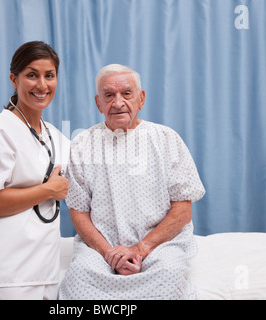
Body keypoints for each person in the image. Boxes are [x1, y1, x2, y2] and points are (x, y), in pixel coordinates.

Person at [59, 64, 205, 300]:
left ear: (141, 98)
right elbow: (78, 212)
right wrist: (110, 254)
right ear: (98, 103)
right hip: (100, 248)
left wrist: (141, 249)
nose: (117, 103)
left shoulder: (167, 139)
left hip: (160, 246)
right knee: (79, 278)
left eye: (126, 93)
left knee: (169, 275)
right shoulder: (82, 144)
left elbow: (182, 211)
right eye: (109, 95)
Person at [0, 41, 70, 300]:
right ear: (14, 79)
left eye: (49, 76)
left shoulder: (57, 136)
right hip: (2, 276)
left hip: (45, 272)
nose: (42, 85)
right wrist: (47, 190)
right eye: (31, 75)